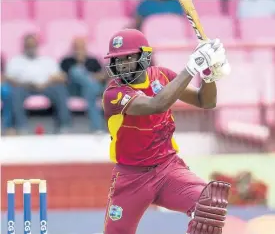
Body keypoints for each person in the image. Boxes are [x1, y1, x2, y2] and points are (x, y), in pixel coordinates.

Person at [102, 29, 231, 234]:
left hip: (168, 169)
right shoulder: (113, 93)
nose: (123, 64)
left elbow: (206, 101)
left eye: (129, 57)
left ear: (144, 56)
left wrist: (208, 74)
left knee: (209, 205)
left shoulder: (162, 75)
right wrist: (191, 68)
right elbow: (156, 104)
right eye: (118, 60)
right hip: (131, 177)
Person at [5, 34, 71, 134]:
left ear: (37, 45)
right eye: (28, 45)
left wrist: (49, 81)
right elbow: (8, 78)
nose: (31, 47)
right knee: (14, 92)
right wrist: (23, 83)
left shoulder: (47, 60)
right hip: (24, 87)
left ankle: (64, 126)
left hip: (47, 85)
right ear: (24, 46)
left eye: (33, 45)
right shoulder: (15, 61)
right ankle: (22, 128)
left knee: (60, 89)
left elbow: (61, 77)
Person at [60, 38, 106, 132]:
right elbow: (63, 77)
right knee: (76, 70)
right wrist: (81, 67)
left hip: (88, 92)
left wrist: (89, 76)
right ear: (73, 48)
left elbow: (102, 76)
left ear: (85, 48)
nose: (79, 50)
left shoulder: (93, 60)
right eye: (77, 47)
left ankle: (96, 128)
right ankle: (97, 128)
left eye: (81, 47)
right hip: (73, 89)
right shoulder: (67, 61)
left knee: (90, 92)